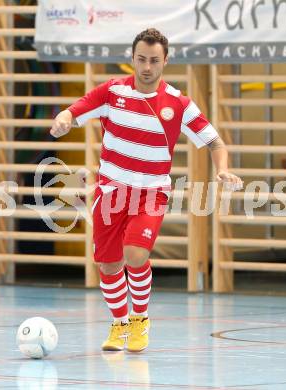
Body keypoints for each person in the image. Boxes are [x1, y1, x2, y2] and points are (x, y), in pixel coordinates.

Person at [50, 28, 243, 352]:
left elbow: (214, 141)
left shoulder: (178, 104)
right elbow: (76, 109)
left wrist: (222, 168)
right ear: (133, 58)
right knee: (109, 264)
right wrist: (64, 119)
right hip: (111, 194)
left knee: (135, 254)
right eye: (141, 59)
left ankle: (140, 319)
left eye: (154, 60)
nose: (147, 67)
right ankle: (119, 324)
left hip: (151, 194)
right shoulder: (112, 93)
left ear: (165, 61)